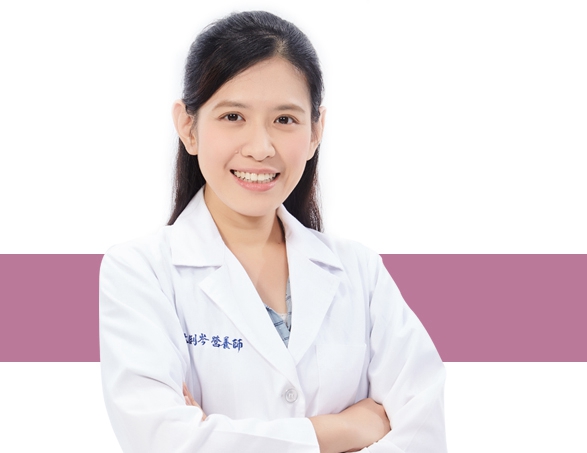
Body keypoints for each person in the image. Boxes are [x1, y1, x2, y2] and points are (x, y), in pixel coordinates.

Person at [98, 11, 446, 453]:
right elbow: (165, 441)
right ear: (188, 127)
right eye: (233, 116)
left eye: (285, 120)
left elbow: (424, 431)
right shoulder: (140, 273)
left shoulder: (361, 272)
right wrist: (346, 429)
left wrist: (221, 435)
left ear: (316, 131)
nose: (261, 148)